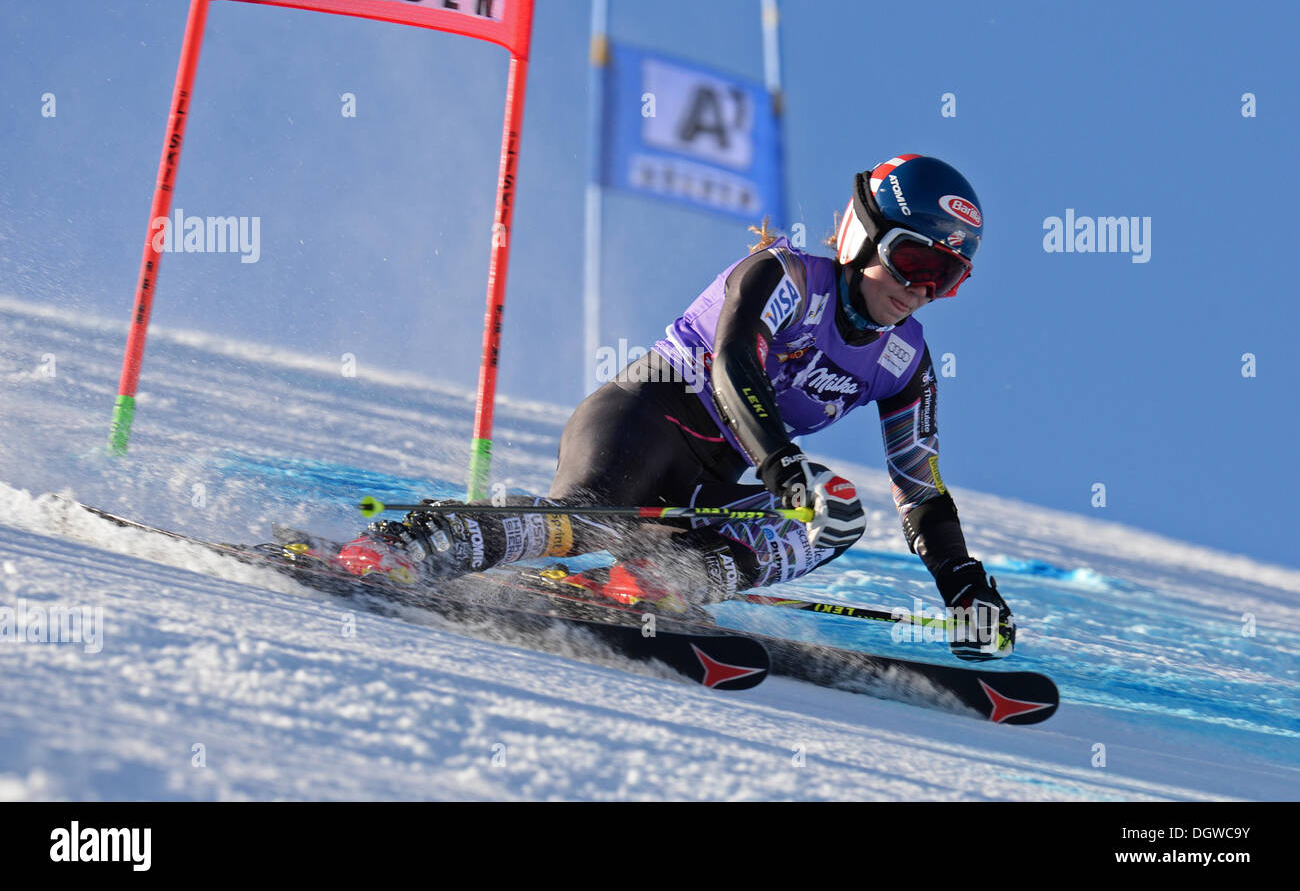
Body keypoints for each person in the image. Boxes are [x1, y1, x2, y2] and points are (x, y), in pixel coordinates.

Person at [339, 153, 1015, 659]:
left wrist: (964, 587)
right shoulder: (785, 275)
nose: (921, 290)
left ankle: (660, 581)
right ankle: (424, 541)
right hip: (647, 420)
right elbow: (733, 363)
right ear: (863, 235)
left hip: (712, 487)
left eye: (945, 278)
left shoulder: (906, 362)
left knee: (835, 513)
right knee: (587, 520)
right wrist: (781, 463)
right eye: (913, 263)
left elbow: (919, 489)